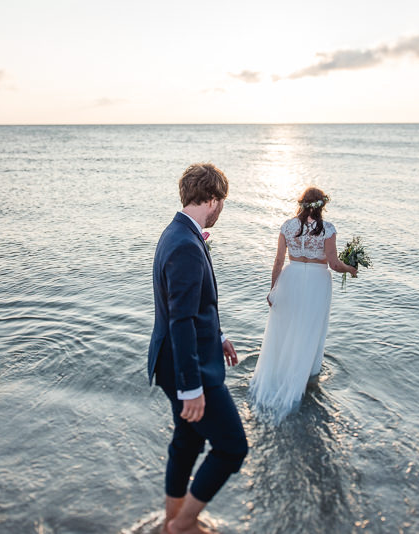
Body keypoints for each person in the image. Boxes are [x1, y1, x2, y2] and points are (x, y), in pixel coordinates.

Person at [147, 163, 248, 534]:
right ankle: (182, 526)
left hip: (176, 361)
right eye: (222, 202)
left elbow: (191, 307)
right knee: (232, 447)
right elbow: (181, 321)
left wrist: (219, 335)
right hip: (188, 369)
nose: (222, 210)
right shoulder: (187, 245)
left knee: (187, 442)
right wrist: (192, 388)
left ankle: (172, 519)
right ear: (212, 199)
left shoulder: (177, 233)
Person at [248, 187, 357, 423]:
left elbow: (278, 261)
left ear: (302, 204)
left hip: (291, 278)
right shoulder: (327, 229)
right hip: (317, 282)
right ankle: (306, 375)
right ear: (322, 206)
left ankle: (279, 371)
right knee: (310, 328)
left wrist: (273, 289)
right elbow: (335, 264)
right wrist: (351, 269)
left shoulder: (287, 226)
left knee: (285, 328)